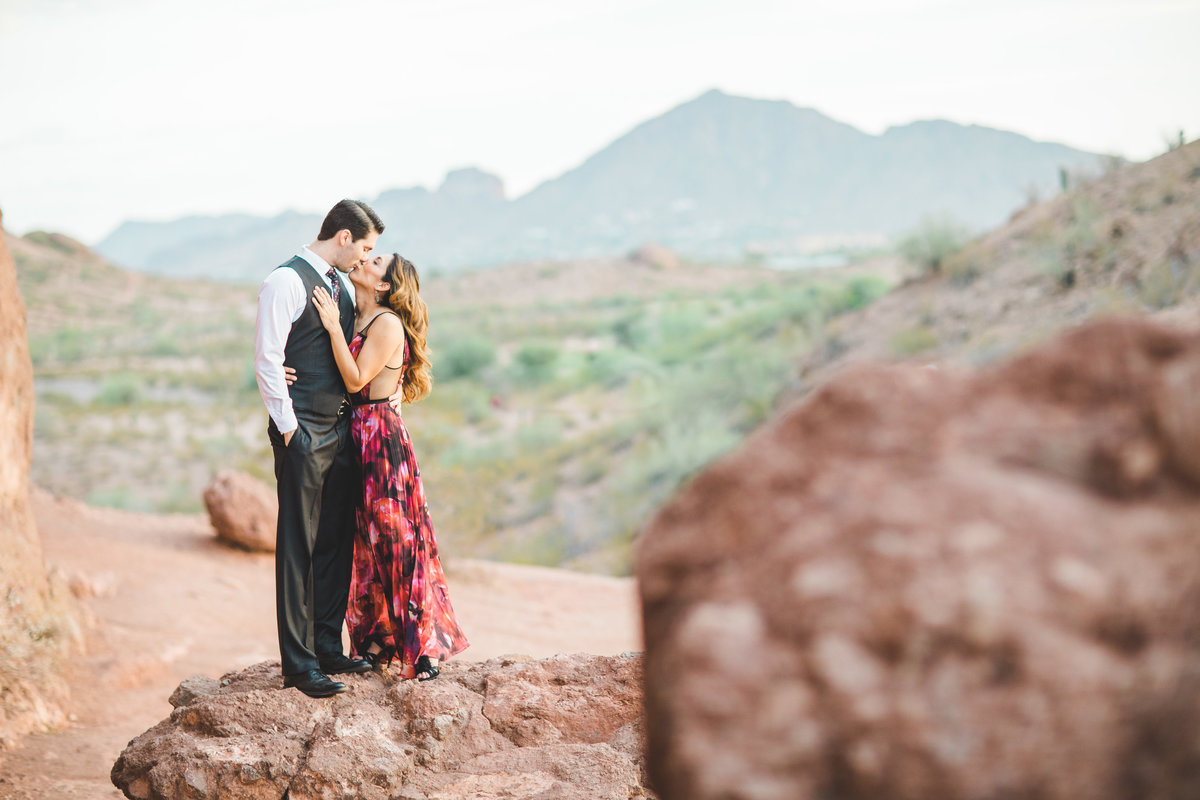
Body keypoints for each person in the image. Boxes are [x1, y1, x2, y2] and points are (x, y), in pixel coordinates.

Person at [310, 252, 469, 681]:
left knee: (398, 540)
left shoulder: (386, 323)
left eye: (376, 260)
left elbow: (357, 380)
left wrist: (330, 329)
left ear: (383, 285)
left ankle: (423, 649)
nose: (364, 258)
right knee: (363, 541)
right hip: (354, 435)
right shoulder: (354, 316)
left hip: (380, 440)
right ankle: (378, 638)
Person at [254, 199, 384, 697]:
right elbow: (267, 358)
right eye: (366, 247)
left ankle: (328, 646)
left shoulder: (340, 286)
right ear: (345, 237)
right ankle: (299, 664)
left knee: (334, 540)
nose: (366, 258)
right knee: (297, 545)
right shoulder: (285, 282)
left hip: (342, 429)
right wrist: (289, 428)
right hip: (303, 429)